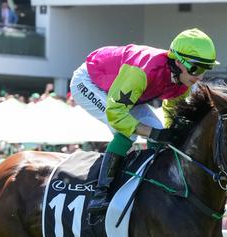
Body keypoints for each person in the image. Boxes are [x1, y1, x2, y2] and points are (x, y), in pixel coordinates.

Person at [70, 28, 219, 214]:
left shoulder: (183, 82)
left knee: (158, 134)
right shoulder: (143, 70)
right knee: (127, 132)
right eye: (196, 68)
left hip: (125, 90)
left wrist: (171, 133)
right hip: (90, 82)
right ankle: (101, 194)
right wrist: (152, 133)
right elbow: (116, 113)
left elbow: (172, 116)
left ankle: (154, 188)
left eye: (206, 69)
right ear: (178, 61)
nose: (200, 77)